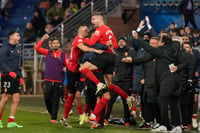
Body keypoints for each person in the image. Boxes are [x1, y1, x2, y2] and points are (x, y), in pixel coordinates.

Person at [79, 12, 134, 115]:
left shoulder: (100, 29)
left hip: (104, 57)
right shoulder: (109, 29)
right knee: (109, 85)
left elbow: (91, 43)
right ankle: (127, 97)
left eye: (93, 19)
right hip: (111, 58)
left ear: (100, 19)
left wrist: (82, 39)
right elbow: (115, 45)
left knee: (83, 68)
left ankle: (98, 85)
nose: (92, 21)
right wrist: (108, 45)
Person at [133, 32, 182, 132]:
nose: (158, 42)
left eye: (159, 40)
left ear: (163, 43)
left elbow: (149, 49)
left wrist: (138, 39)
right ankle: (177, 126)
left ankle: (164, 125)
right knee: (173, 103)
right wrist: (132, 60)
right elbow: (146, 58)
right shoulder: (173, 50)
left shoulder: (162, 50)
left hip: (166, 80)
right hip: (175, 79)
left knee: (162, 102)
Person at [60, 24, 104, 128]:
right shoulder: (78, 39)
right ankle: (65, 118)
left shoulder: (83, 39)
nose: (87, 32)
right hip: (73, 70)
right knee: (72, 94)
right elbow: (83, 48)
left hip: (78, 70)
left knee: (75, 94)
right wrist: (96, 50)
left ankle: (70, 117)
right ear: (80, 31)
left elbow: (90, 43)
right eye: (86, 30)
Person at [35, 34, 67, 123]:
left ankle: (53, 118)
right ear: (51, 45)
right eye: (54, 43)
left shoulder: (64, 55)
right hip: (48, 80)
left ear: (59, 44)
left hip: (59, 80)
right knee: (47, 98)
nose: (56, 45)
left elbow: (68, 65)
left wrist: (66, 68)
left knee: (56, 99)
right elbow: (37, 48)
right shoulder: (47, 53)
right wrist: (42, 39)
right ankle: (51, 112)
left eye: (57, 43)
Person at [105, 36, 136, 127]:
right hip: (116, 81)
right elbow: (114, 60)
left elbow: (135, 59)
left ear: (126, 42)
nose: (121, 43)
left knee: (126, 102)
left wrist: (130, 59)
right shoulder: (116, 51)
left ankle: (127, 120)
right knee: (110, 100)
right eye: (119, 41)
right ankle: (106, 118)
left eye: (122, 41)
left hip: (126, 81)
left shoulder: (130, 51)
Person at [0, 31, 23, 128]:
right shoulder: (4, 48)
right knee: (5, 97)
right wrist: (9, 72)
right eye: (17, 35)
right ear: (11, 37)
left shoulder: (17, 49)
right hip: (7, 76)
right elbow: (1, 62)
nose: (19, 37)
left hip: (15, 77)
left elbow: (18, 65)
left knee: (16, 97)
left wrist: (20, 76)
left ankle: (11, 121)